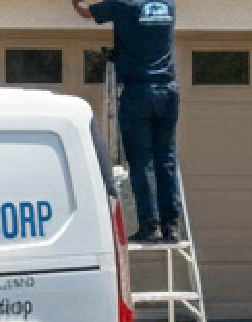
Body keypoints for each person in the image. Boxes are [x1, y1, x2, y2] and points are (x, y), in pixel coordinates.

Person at [73, 0, 182, 243]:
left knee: (142, 162)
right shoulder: (168, 6)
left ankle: (149, 225)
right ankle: (171, 227)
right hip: (168, 91)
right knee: (166, 160)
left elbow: (83, 11)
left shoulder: (123, 5)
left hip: (139, 92)